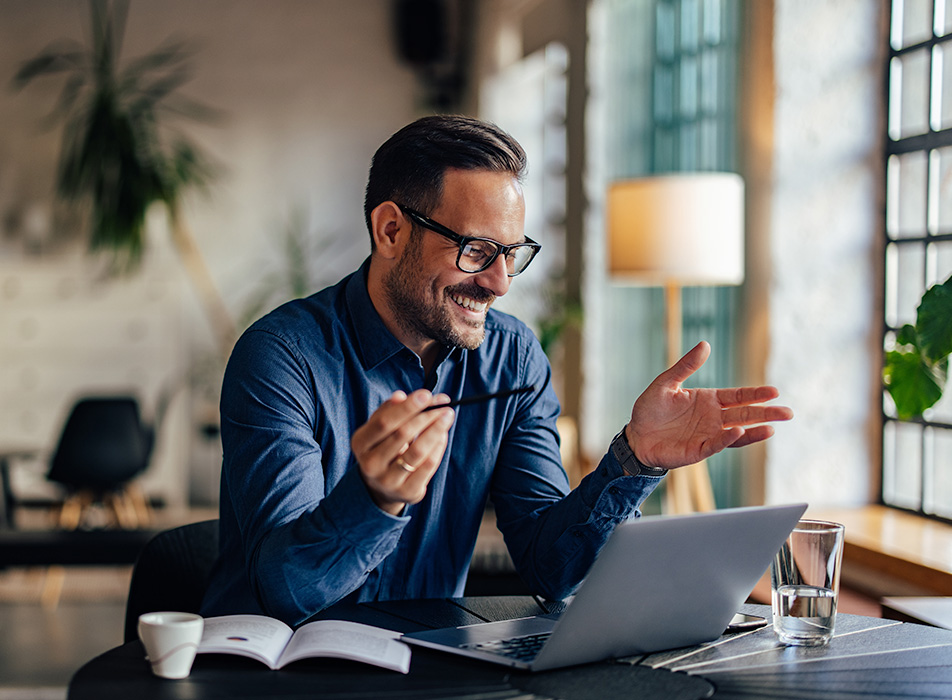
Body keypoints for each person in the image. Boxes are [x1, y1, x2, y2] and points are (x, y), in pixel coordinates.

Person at [200, 115, 792, 625]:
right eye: (477, 251)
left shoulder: (514, 358)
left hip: (430, 672)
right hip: (274, 672)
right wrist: (373, 500)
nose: (500, 283)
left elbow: (549, 567)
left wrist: (635, 458)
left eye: (511, 254)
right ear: (390, 230)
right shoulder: (281, 357)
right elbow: (285, 592)